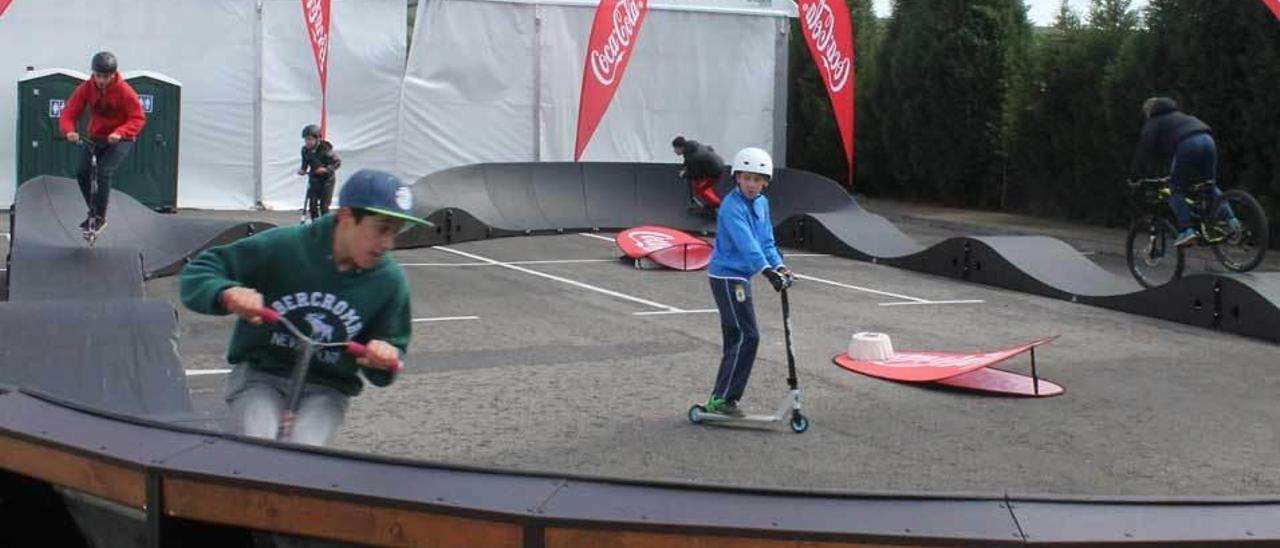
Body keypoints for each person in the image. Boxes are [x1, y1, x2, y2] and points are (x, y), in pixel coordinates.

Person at [180, 169, 431, 446]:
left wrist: (384, 356)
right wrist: (226, 292)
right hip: (261, 376)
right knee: (256, 440)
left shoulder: (389, 282)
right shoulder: (285, 246)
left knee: (305, 450)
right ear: (346, 216)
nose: (388, 244)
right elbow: (200, 271)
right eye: (382, 229)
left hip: (327, 387)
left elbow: (391, 351)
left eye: (394, 233)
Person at [703, 147, 793, 417]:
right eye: (746, 178)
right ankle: (721, 399)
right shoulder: (731, 207)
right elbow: (747, 245)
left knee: (742, 337)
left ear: (765, 181)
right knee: (745, 336)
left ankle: (725, 398)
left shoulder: (762, 204)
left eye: (757, 179)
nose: (752, 184)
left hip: (741, 277)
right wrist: (767, 272)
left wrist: (779, 266)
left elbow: (765, 241)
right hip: (727, 276)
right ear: (737, 178)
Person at [1129, 97, 1238, 247]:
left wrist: (1135, 177)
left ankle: (1186, 230)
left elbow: (1144, 152)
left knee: (1176, 189)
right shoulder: (1182, 117)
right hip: (1207, 140)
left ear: (1149, 111)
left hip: (1188, 145)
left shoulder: (1154, 122)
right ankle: (1233, 222)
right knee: (1209, 185)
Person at [59, 51, 147, 233]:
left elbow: (138, 118)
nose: (101, 80)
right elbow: (69, 112)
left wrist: (120, 132)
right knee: (82, 173)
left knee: (103, 171)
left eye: (106, 77)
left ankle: (100, 217)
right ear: (93, 73)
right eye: (98, 76)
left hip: (121, 139)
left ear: (113, 74)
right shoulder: (86, 88)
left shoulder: (125, 91)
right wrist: (69, 130)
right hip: (96, 137)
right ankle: (93, 212)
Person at [297, 124, 342, 223]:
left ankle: (326, 226)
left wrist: (326, 169)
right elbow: (305, 163)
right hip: (314, 179)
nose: (307, 142)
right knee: (312, 205)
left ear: (317, 139)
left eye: (310, 139)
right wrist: (303, 170)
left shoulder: (325, 149)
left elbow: (337, 163)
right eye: (306, 140)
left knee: (324, 206)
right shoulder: (305, 150)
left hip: (327, 181)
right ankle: (315, 224)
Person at [672, 135, 726, 211]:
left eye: (675, 148)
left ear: (680, 147)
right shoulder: (692, 145)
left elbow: (696, 174)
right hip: (718, 163)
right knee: (703, 185)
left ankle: (718, 205)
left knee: (699, 189)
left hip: (716, 171)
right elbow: (709, 148)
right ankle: (712, 200)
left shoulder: (692, 157)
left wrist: (684, 174)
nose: (674, 151)